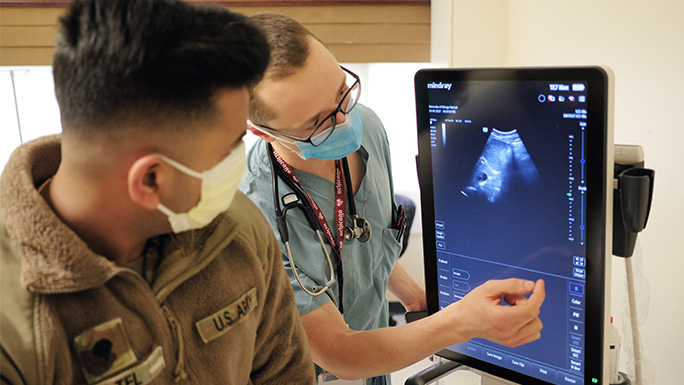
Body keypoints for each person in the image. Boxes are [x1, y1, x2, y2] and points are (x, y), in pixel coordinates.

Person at [0, 1, 316, 384]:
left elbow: (287, 374)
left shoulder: (238, 229)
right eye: (229, 148)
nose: (240, 161)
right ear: (150, 180)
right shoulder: (13, 326)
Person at [239, 13, 546, 385]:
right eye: (318, 122)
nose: (343, 122)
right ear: (262, 131)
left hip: (377, 358)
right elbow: (339, 352)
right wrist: (460, 323)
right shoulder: (254, 215)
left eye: (342, 92)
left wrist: (415, 296)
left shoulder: (366, 126)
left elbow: (364, 237)